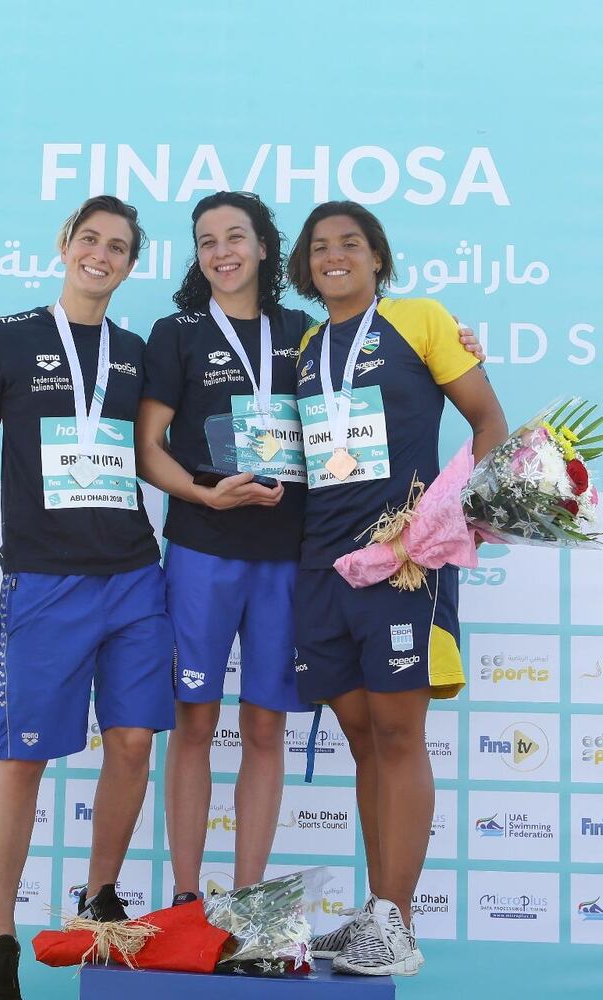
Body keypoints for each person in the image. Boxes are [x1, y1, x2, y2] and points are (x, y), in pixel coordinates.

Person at [135, 192, 485, 905]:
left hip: (299, 555)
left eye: (237, 236)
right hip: (207, 546)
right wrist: (203, 493)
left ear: (266, 248)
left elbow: (406, 376)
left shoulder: (303, 330)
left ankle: (250, 902)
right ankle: (183, 897)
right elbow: (150, 448)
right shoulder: (178, 333)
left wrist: (460, 344)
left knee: (272, 726)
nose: (222, 251)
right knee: (198, 722)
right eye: (207, 241)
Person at [0, 196, 175, 1000]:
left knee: (133, 744)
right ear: (65, 246)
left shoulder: (135, 351)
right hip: (46, 581)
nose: (102, 255)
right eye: (90, 239)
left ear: (132, 265)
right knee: (22, 756)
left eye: (119, 247)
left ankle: (98, 902)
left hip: (134, 575)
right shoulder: (7, 337)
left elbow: (158, 446)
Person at [289, 201, 507, 977]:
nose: (335, 256)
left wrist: (451, 514)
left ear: (378, 257)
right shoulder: (308, 346)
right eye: (320, 247)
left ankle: (397, 920)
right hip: (322, 565)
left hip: (403, 560)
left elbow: (488, 420)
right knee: (360, 739)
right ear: (306, 266)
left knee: (397, 735)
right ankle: (379, 911)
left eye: (351, 243)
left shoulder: (420, 318)